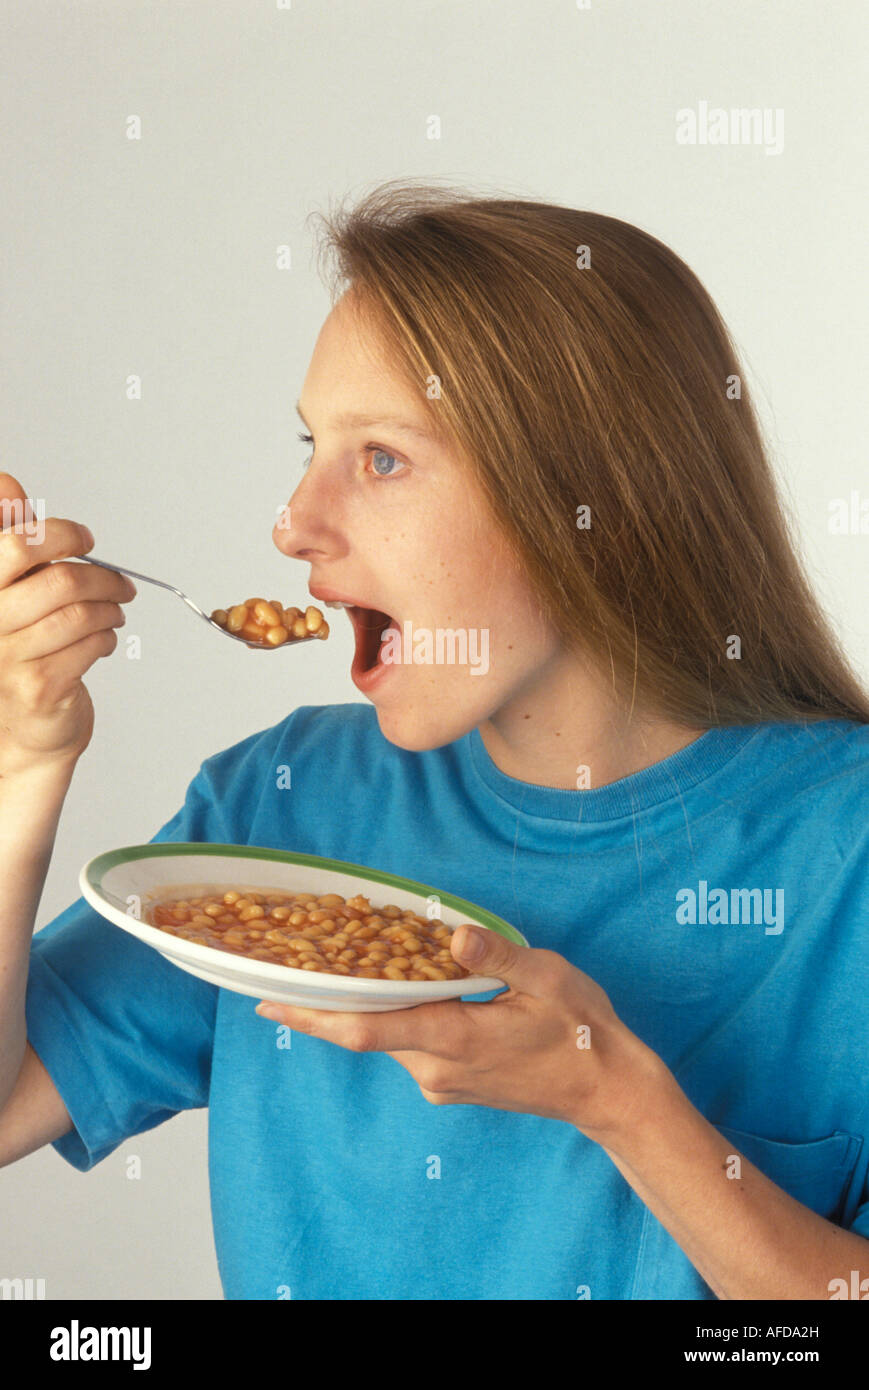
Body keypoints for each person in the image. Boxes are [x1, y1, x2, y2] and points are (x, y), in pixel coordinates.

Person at [2, 181, 868, 1301]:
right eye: (311, 445)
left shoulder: (843, 850)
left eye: (380, 459)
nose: (291, 525)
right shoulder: (284, 805)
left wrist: (617, 1103)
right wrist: (24, 764)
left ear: (595, 503)